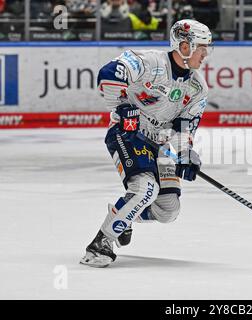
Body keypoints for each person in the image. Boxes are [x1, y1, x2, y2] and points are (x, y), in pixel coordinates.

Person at [80, 19, 212, 268]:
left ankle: (123, 215)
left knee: (168, 210)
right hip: (127, 134)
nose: (205, 55)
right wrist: (123, 107)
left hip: (159, 144)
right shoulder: (149, 62)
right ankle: (101, 244)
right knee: (145, 190)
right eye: (201, 48)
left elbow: (184, 126)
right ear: (184, 46)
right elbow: (108, 74)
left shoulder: (197, 87)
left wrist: (185, 152)